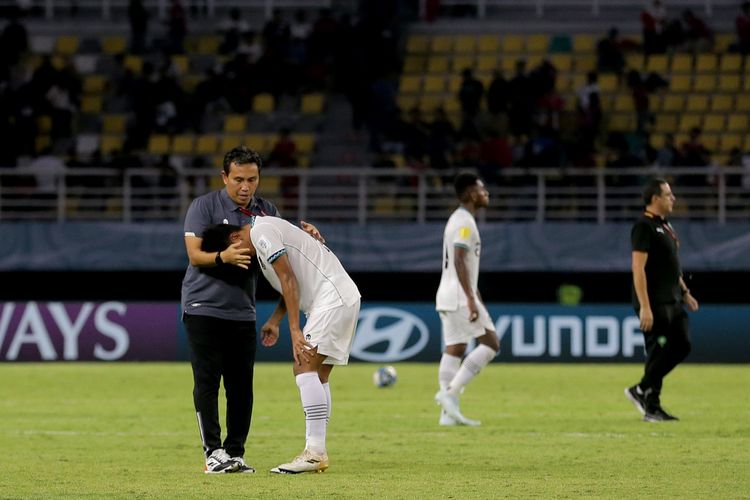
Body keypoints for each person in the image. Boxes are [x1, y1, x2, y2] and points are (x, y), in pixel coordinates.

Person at [181, 145, 322, 474]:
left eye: (252, 180)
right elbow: (193, 255)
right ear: (224, 177)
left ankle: (236, 453)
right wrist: (222, 258)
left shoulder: (266, 211)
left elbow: (286, 260)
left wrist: (307, 239)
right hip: (203, 306)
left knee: (241, 386)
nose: (245, 187)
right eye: (239, 180)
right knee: (207, 382)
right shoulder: (204, 206)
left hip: (243, 312)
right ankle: (213, 453)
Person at [200, 217, 361, 474]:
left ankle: (315, 453)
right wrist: (276, 320)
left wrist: (295, 330)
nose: (239, 261)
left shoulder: (261, 232)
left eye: (235, 254)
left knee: (303, 367)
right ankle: (316, 450)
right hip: (340, 297)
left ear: (234, 239)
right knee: (317, 374)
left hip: (332, 299)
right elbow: (291, 281)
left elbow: (289, 280)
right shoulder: (267, 237)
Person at [625, 178, 699, 422]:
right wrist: (645, 306)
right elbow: (638, 268)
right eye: (668, 194)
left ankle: (641, 389)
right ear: (655, 199)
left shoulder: (665, 226)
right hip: (654, 301)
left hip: (673, 299)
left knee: (682, 344)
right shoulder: (643, 227)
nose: (673, 198)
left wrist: (685, 292)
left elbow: (672, 266)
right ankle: (652, 406)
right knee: (657, 351)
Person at [434, 172, 500, 427]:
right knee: (491, 343)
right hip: (459, 296)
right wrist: (471, 299)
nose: (486, 194)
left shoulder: (458, 219)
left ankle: (447, 414)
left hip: (448, 294)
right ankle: (449, 393)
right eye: (483, 190)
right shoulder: (464, 222)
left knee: (456, 348)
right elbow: (460, 258)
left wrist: (475, 295)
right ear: (472, 194)